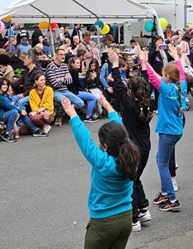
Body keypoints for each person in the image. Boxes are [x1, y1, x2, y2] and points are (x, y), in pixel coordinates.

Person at [62, 94, 139, 249]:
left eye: (100, 141)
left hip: (103, 223)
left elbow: (84, 139)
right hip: (125, 218)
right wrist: (107, 106)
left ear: (106, 146)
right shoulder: (131, 156)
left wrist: (72, 113)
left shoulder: (103, 163)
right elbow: (120, 130)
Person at [143, 49, 185, 213]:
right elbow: (181, 72)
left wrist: (144, 62)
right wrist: (176, 58)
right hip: (175, 129)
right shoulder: (181, 85)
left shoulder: (167, 90)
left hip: (169, 130)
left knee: (162, 163)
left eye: (163, 74)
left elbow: (153, 78)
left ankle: (172, 199)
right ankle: (165, 192)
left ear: (167, 76)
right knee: (161, 159)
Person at [116, 71, 154, 232]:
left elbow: (118, 86)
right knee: (135, 177)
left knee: (129, 181)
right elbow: (145, 83)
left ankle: (133, 218)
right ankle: (143, 208)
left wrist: (115, 65)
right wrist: (145, 68)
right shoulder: (147, 102)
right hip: (145, 147)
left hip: (133, 148)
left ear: (130, 90)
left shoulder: (130, 103)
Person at [0, 77, 31, 143]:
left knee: (19, 112)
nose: (6, 86)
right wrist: (21, 110)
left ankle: (34, 129)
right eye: (3, 84)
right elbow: (9, 106)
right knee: (14, 112)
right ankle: (8, 134)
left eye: (6, 84)